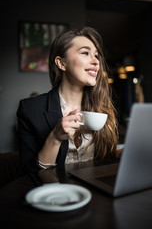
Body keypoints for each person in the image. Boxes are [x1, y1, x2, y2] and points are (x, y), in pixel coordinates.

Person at [17, 27, 118, 174]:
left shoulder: (102, 107)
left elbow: (106, 160)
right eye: (85, 53)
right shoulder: (30, 109)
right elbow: (28, 173)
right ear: (61, 63)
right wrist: (55, 137)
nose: (96, 62)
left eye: (96, 56)